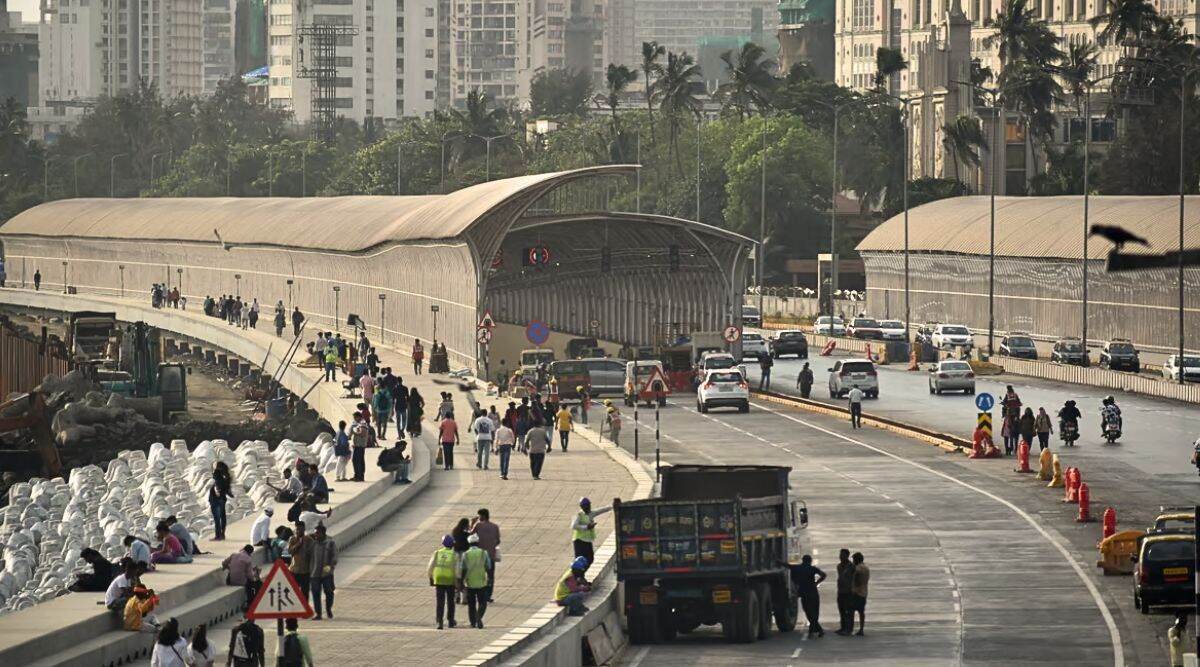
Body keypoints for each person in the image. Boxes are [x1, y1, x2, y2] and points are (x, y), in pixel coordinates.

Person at [459, 533, 492, 628]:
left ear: (469, 543)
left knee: (471, 604)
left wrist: (461, 582)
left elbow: (463, 568)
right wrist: (490, 579)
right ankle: (479, 617)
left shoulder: (466, 554)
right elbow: (488, 566)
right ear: (478, 543)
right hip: (481, 582)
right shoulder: (483, 553)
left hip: (469, 582)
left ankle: (473, 622)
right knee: (483, 602)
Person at [571, 497, 612, 573]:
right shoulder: (579, 515)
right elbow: (573, 526)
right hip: (579, 541)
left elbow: (601, 510)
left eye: (588, 505)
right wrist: (587, 527)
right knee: (580, 561)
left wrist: (612, 506)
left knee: (590, 559)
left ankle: (581, 575)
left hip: (587, 540)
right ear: (582, 507)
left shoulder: (591, 513)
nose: (588, 507)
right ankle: (578, 577)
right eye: (586, 506)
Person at [789, 554, 826, 637]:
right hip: (813, 593)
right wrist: (816, 583)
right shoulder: (812, 569)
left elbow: (788, 566)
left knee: (809, 612)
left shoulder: (798, 568)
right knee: (814, 613)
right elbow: (823, 575)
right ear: (810, 561)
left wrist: (778, 561)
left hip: (804, 594)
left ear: (803, 560)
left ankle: (814, 631)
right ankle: (817, 630)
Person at [469, 509, 501, 602]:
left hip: (480, 555)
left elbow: (470, 536)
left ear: (482, 516)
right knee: (490, 576)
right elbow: (498, 540)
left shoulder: (478, 525)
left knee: (480, 574)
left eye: (479, 516)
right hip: (491, 555)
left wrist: (472, 523)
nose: (478, 518)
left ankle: (480, 594)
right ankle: (488, 595)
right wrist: (491, 545)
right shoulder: (495, 526)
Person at [428, 535, 459, 629]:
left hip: (439, 579)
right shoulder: (455, 555)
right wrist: (457, 580)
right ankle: (450, 621)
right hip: (450, 580)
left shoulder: (437, 553)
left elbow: (430, 567)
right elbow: (457, 570)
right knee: (450, 601)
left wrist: (431, 578)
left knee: (440, 602)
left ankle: (439, 622)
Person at [309, 524, 337, 620]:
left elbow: (334, 556)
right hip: (314, 573)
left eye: (317, 533)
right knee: (316, 593)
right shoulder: (313, 544)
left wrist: (330, 567)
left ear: (323, 533)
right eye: (315, 533)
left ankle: (328, 608)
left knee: (329, 592)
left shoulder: (330, 543)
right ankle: (318, 613)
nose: (316, 535)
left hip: (326, 573)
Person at [210, 461, 233, 540]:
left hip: (216, 502)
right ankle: (222, 534)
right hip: (222, 501)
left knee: (217, 519)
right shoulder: (224, 480)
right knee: (222, 518)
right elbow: (229, 494)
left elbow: (218, 491)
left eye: (213, 473)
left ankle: (218, 536)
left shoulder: (218, 482)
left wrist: (216, 493)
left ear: (216, 474)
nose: (212, 474)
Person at [288, 522, 313, 596]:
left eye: (301, 529)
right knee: (293, 591)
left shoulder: (309, 539)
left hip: (305, 571)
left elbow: (313, 552)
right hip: (294, 570)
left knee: (305, 592)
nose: (299, 531)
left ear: (304, 529)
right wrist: (298, 545)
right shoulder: (292, 539)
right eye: (297, 529)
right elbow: (289, 551)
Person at [835, 548, 855, 635]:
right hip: (841, 591)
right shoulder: (839, 566)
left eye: (842, 555)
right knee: (841, 610)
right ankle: (843, 627)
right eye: (840, 555)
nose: (840, 556)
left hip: (849, 592)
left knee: (849, 611)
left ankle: (849, 629)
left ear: (847, 556)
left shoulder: (851, 566)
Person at [850, 552, 869, 636]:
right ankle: (861, 629)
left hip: (857, 592)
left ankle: (850, 628)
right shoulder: (866, 568)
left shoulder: (858, 568)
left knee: (851, 611)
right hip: (864, 592)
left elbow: (857, 578)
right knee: (861, 612)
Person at [350, 413, 369, 482]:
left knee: (358, 460)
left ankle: (360, 476)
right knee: (356, 460)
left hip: (360, 445)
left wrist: (354, 432)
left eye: (355, 417)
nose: (354, 419)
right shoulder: (357, 423)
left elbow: (362, 434)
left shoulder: (363, 424)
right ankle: (357, 475)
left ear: (359, 417)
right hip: (357, 445)